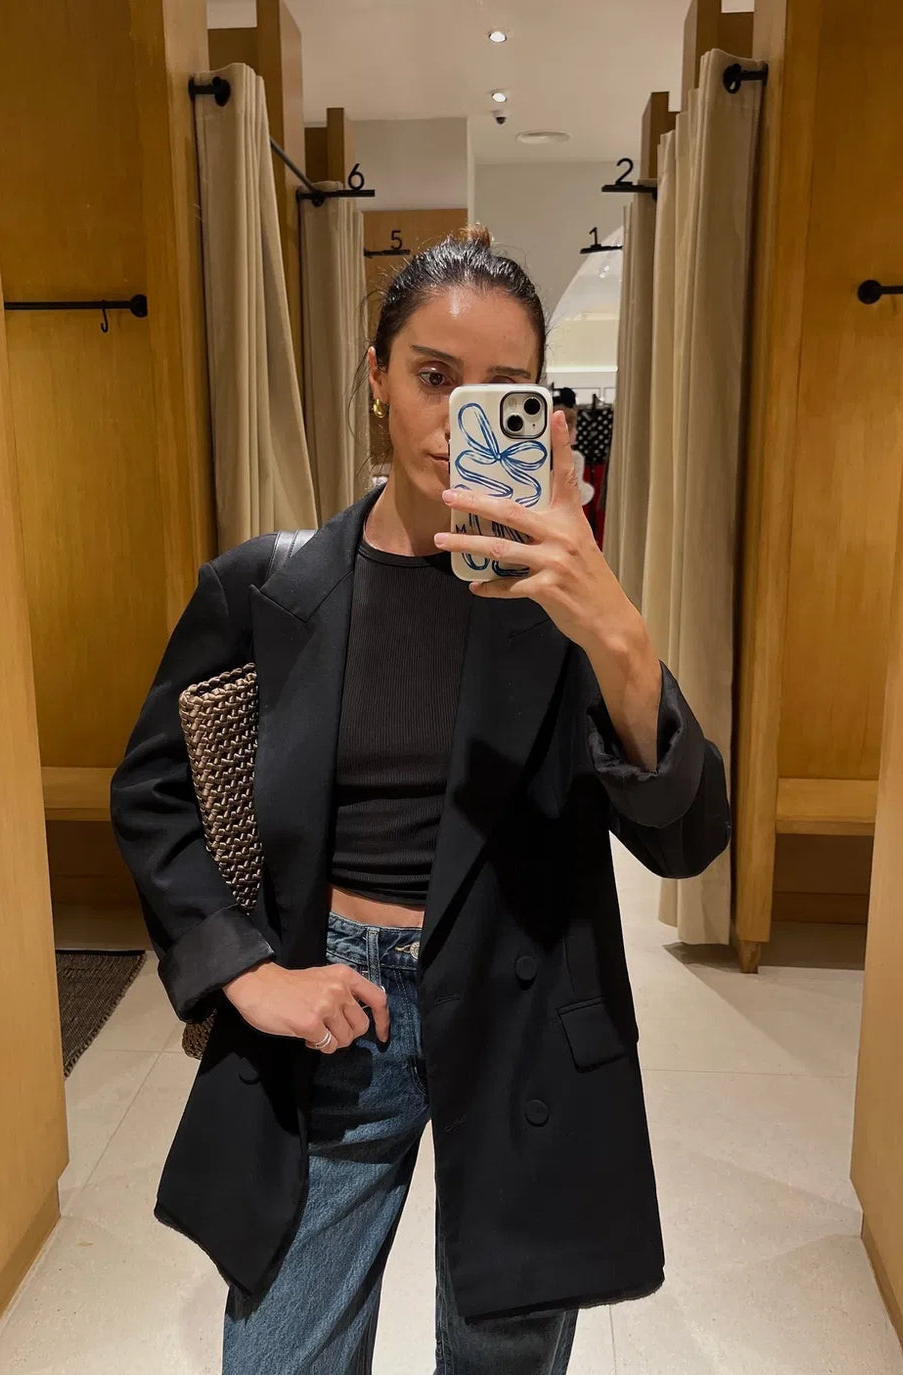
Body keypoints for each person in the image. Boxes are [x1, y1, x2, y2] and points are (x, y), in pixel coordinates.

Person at [110, 225, 731, 1375]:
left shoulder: (564, 608)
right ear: (376, 378)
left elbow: (686, 837)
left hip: (522, 1016)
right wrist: (244, 972)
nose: (457, 420)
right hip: (338, 1012)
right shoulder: (266, 586)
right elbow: (152, 793)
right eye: (433, 376)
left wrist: (614, 630)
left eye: (501, 392)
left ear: (541, 414)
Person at [552, 388, 595, 508]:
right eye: (574, 428)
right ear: (567, 430)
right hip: (564, 511)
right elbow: (578, 494)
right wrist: (589, 490)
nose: (576, 432)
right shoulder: (574, 457)